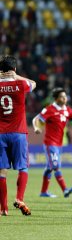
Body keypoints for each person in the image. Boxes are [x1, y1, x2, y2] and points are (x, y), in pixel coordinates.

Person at [32, 88, 72, 198]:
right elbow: (36, 119)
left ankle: (43, 192)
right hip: (50, 143)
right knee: (56, 166)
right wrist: (36, 128)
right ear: (56, 99)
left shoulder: (67, 110)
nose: (65, 98)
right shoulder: (49, 109)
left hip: (59, 144)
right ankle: (65, 190)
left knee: (50, 168)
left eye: (65, 96)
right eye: (62, 97)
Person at [0, 55, 36, 216]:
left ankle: (4, 208)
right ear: (14, 69)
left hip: (1, 133)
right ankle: (20, 198)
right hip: (19, 132)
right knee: (23, 167)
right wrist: (17, 76)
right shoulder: (21, 83)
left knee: (1, 171)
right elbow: (34, 84)